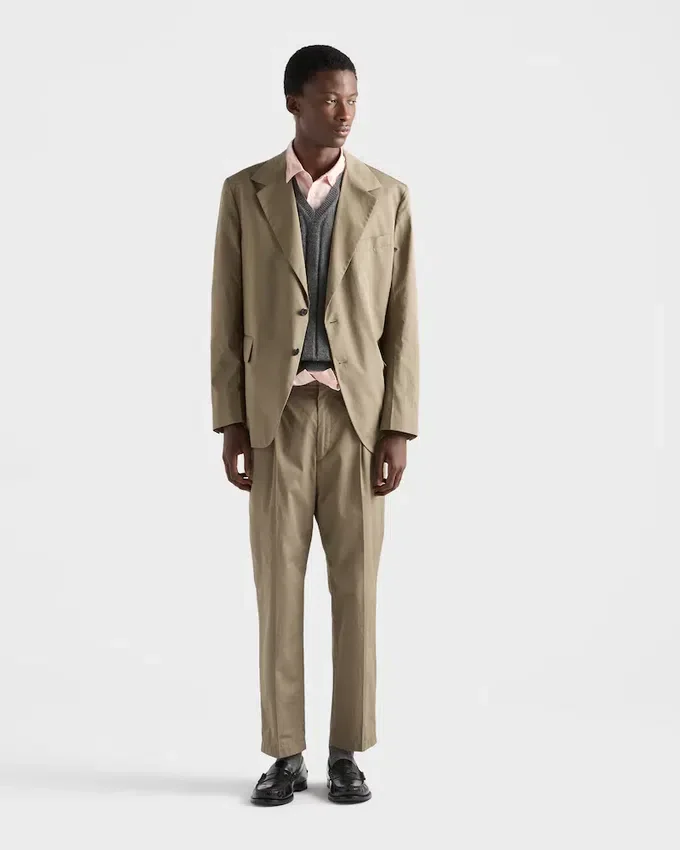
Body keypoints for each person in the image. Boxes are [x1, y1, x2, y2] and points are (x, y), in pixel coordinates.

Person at [210, 44, 419, 806]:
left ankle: (346, 752)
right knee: (279, 588)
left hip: (359, 422)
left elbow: (404, 321)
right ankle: (286, 753)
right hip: (278, 417)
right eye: (331, 99)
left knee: (356, 591)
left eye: (353, 99)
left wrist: (398, 427)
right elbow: (226, 313)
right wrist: (231, 420)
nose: (345, 112)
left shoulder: (388, 196)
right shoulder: (246, 193)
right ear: (293, 102)